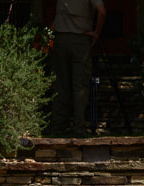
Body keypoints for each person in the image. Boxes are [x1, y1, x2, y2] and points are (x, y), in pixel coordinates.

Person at [49, 0, 106, 137]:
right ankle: (78, 127)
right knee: (80, 86)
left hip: (60, 38)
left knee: (61, 84)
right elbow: (102, 11)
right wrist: (96, 33)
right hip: (81, 38)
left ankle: (58, 126)